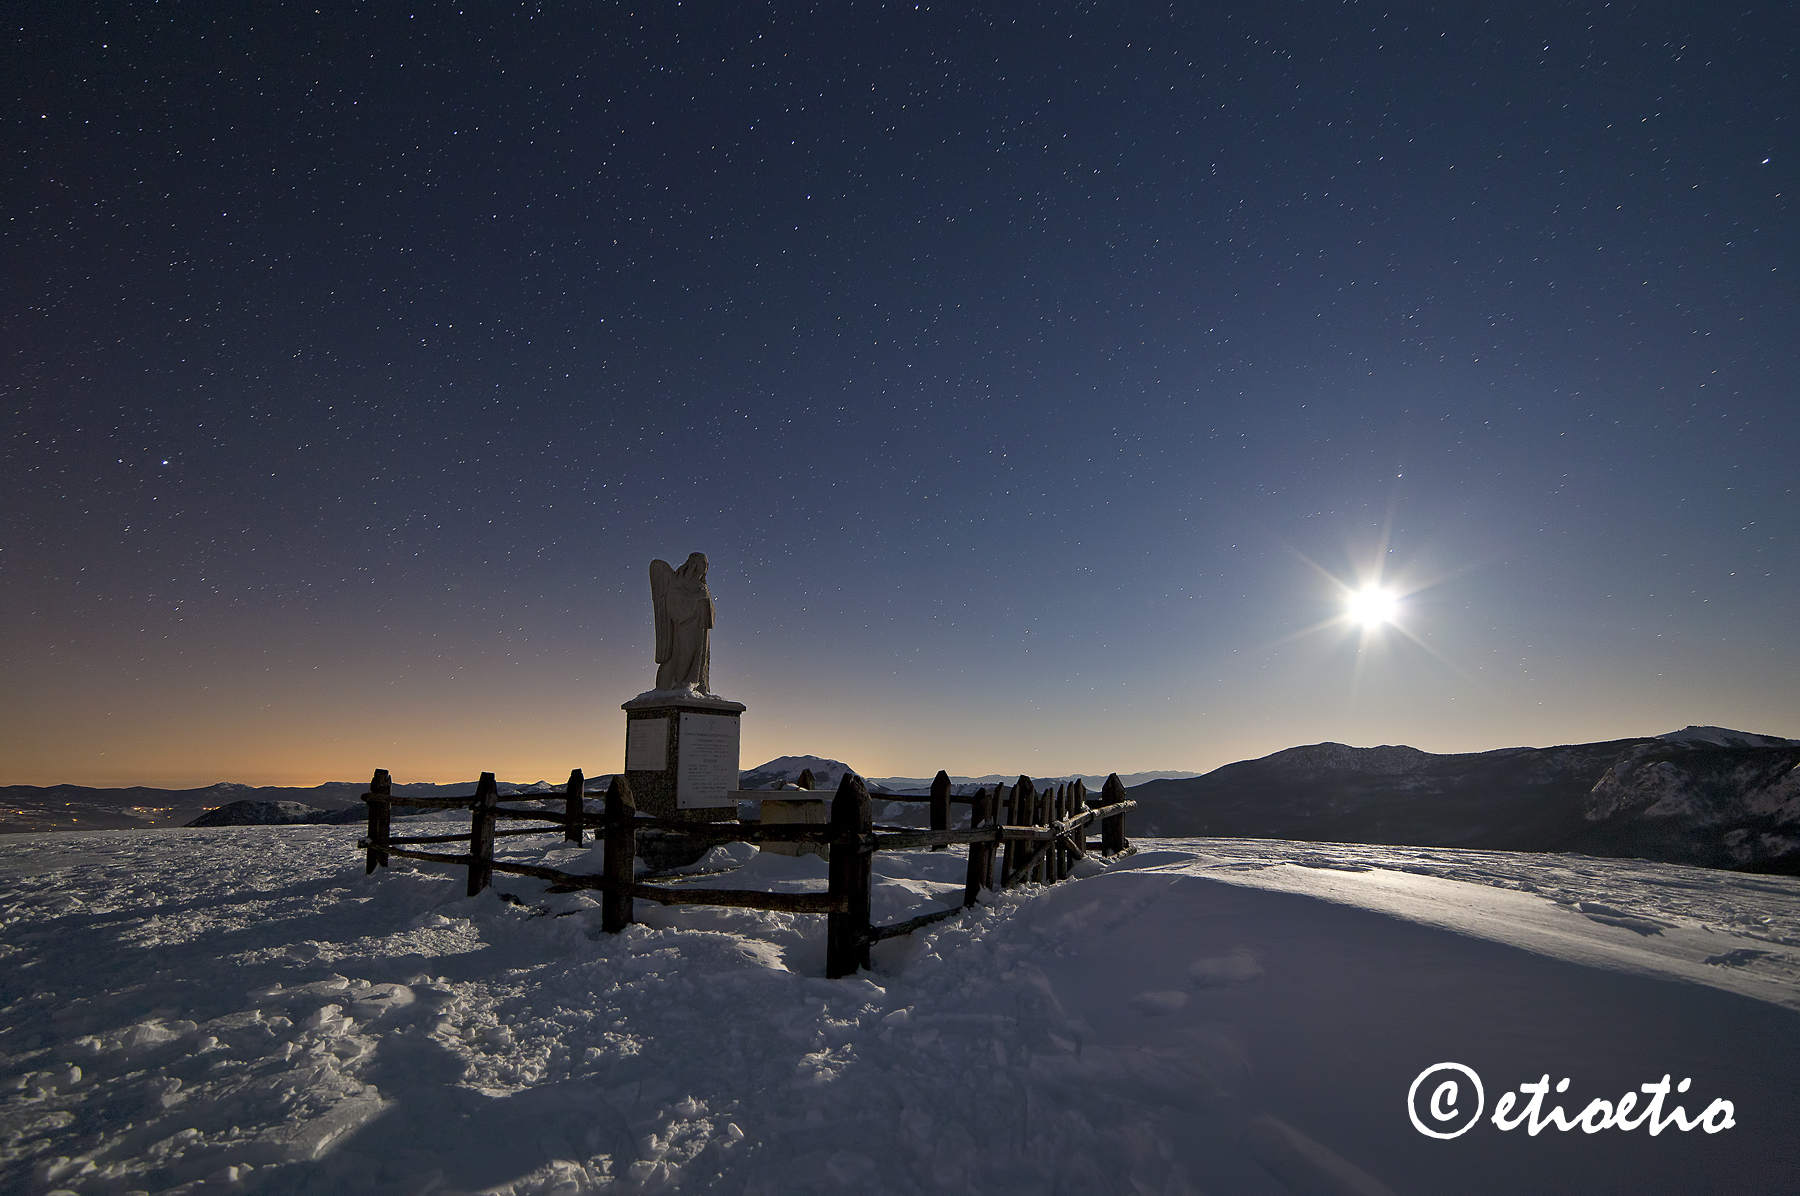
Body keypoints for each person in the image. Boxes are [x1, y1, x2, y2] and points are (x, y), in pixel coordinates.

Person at [649, 553, 713, 692]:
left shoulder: (703, 586)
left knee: (700, 657)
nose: (706, 566)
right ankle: (679, 683)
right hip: (685, 626)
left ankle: (695, 685)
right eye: (703, 562)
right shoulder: (679, 582)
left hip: (701, 628)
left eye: (707, 563)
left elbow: (710, 612)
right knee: (684, 653)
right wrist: (695, 597)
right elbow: (672, 605)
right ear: (694, 564)